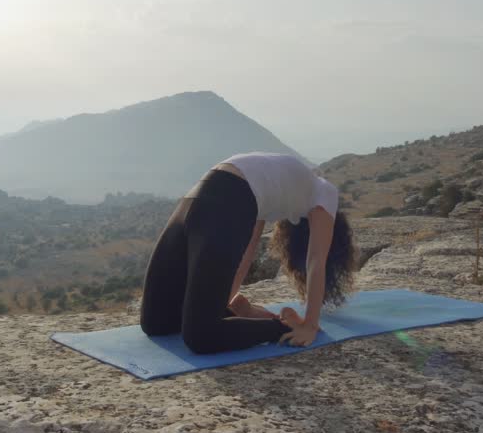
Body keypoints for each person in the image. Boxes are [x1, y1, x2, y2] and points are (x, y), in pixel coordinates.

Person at [139, 151, 357, 354]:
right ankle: (283, 325)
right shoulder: (325, 191)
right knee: (158, 323)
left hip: (202, 194)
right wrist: (310, 326)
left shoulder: (278, 190)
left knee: (189, 333)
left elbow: (245, 248)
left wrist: (228, 298)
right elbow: (317, 261)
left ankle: (265, 322)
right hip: (215, 197)